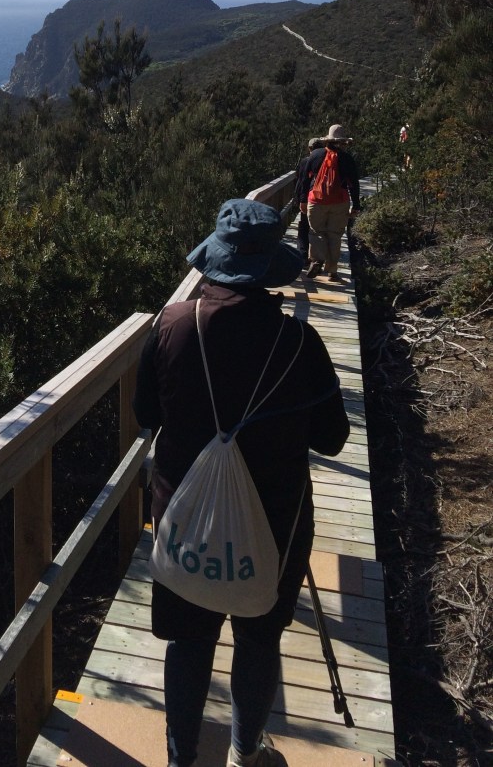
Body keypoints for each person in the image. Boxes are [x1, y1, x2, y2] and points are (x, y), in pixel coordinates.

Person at [134, 199, 350, 767]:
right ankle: (244, 754)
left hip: (184, 517)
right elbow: (332, 439)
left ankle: (182, 758)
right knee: (258, 639)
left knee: (188, 639)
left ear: (216, 260)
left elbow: (144, 413)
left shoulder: (173, 326)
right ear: (269, 268)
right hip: (274, 525)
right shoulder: (301, 345)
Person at [297, 124, 361, 282]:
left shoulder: (315, 155)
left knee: (316, 231)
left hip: (316, 201)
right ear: (343, 142)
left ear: (328, 140)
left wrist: (303, 200)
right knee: (335, 235)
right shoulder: (347, 159)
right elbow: (354, 184)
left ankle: (317, 260)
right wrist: (356, 205)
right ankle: (332, 272)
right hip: (340, 203)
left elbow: (305, 179)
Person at [293, 137, 325, 266]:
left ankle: (302, 255)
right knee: (318, 228)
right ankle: (317, 257)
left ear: (309, 148)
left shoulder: (305, 161)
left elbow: (300, 180)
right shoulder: (324, 161)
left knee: (304, 226)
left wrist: (300, 198)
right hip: (320, 199)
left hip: (306, 197)